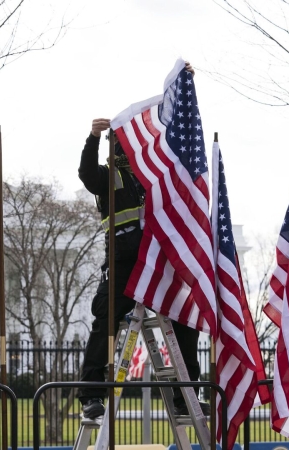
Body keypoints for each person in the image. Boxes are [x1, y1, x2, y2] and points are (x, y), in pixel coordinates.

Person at [76, 63, 208, 420]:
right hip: (122, 262)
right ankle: (90, 395)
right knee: (105, 325)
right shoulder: (106, 177)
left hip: (158, 260)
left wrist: (183, 89)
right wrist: (91, 138)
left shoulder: (152, 174)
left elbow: (178, 153)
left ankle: (186, 396)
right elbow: (86, 173)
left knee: (184, 321)